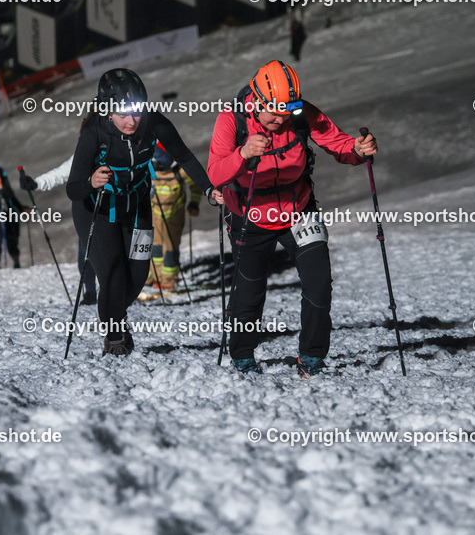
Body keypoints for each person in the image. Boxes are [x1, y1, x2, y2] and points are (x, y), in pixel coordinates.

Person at [208, 60, 377, 377]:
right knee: (250, 289)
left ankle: (312, 356)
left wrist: (358, 149)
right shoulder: (231, 119)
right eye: (273, 112)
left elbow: (338, 144)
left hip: (299, 210)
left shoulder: (300, 113)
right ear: (257, 100)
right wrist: (242, 154)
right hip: (250, 213)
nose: (280, 119)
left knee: (319, 282)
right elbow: (215, 173)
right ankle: (242, 355)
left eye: (286, 112)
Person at [65, 68, 222, 357]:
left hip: (136, 206)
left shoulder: (155, 123)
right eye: (123, 114)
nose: (132, 121)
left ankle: (115, 312)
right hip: (97, 209)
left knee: (137, 278)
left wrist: (209, 189)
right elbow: (73, 189)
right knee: (113, 275)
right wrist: (91, 182)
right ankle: (114, 338)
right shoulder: (94, 131)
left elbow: (184, 156)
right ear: (107, 109)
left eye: (136, 112)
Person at [19, 156, 98, 305]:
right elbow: (61, 173)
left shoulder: (116, 148)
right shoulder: (84, 151)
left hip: (113, 212)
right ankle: (90, 292)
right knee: (85, 255)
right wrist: (36, 183)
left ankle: (117, 293)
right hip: (87, 212)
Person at [142, 143, 202, 296]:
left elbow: (196, 186)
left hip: (174, 214)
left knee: (170, 248)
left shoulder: (180, 170)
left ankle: (168, 283)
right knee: (154, 247)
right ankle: (153, 278)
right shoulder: (148, 168)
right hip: (154, 214)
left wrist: (193, 204)